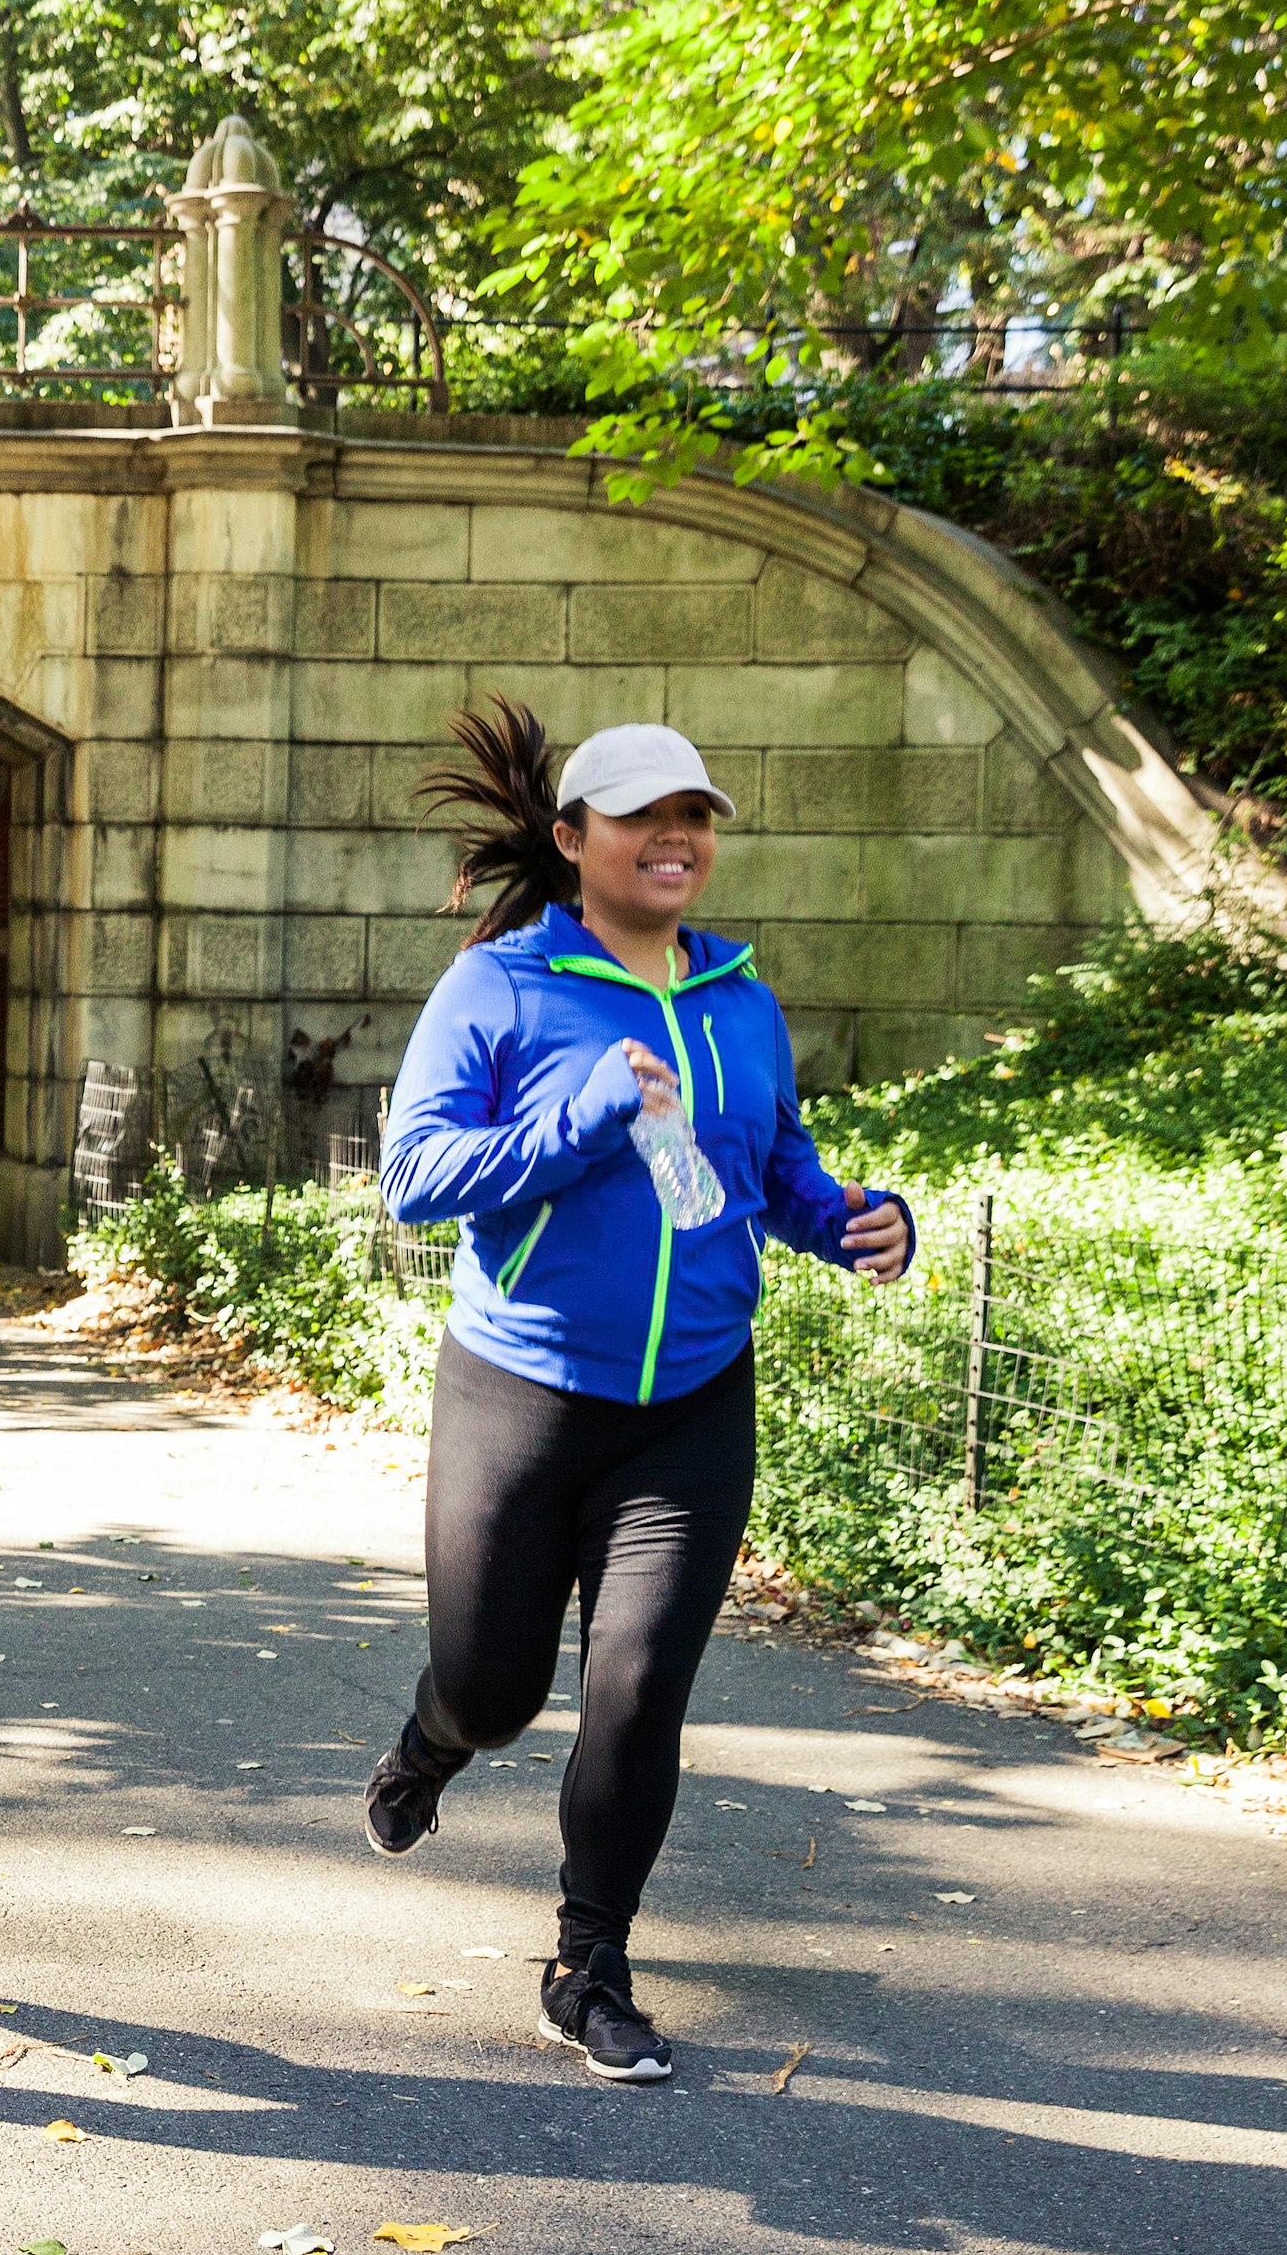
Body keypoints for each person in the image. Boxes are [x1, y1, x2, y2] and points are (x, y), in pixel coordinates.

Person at [367, 703, 914, 2084]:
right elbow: (417, 1180)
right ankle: (437, 1738)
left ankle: (589, 1960)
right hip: (523, 1393)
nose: (676, 839)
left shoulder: (739, 1000)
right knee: (498, 1690)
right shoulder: (499, 988)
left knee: (638, 1687)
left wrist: (856, 1218)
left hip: (692, 1402)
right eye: (644, 817)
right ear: (572, 841)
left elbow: (772, 1169)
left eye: (695, 818)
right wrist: (583, 1119)